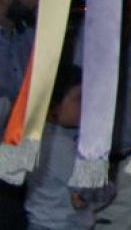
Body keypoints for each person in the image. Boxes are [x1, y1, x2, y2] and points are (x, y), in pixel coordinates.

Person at [26, 64, 112, 229]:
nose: (86, 104)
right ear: (55, 104)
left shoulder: (40, 137)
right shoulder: (58, 146)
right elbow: (97, 189)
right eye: (79, 98)